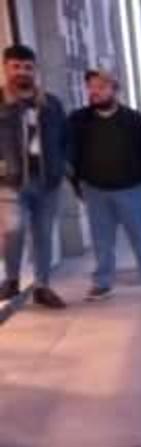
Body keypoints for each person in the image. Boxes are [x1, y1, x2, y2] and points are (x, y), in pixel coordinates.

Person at [67, 70, 141, 301]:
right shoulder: (78, 120)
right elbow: (70, 152)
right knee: (102, 240)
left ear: (114, 89)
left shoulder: (135, 121)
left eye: (101, 86)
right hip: (95, 189)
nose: (95, 91)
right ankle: (102, 283)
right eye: (91, 87)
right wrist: (77, 183)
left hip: (132, 188)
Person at [0, 44, 68, 309]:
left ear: (35, 70)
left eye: (27, 67)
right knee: (12, 231)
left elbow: (65, 138)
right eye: (15, 66)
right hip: (10, 182)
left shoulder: (50, 104)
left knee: (43, 235)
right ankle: (12, 278)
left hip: (46, 180)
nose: (22, 72)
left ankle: (43, 285)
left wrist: (61, 167)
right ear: (6, 68)